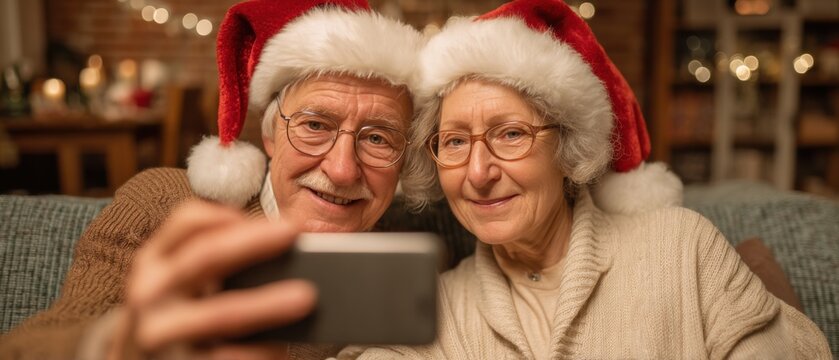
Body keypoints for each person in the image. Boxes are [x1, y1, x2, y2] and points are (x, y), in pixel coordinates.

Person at [349, 0, 832, 358]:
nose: (478, 173)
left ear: (567, 148)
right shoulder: (438, 305)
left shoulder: (682, 249)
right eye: (454, 142)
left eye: (511, 134)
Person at [0, 0, 422, 359]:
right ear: (270, 135)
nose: (343, 169)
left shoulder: (412, 256)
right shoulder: (163, 202)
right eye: (314, 126)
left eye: (378, 138)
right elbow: (27, 346)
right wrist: (121, 344)